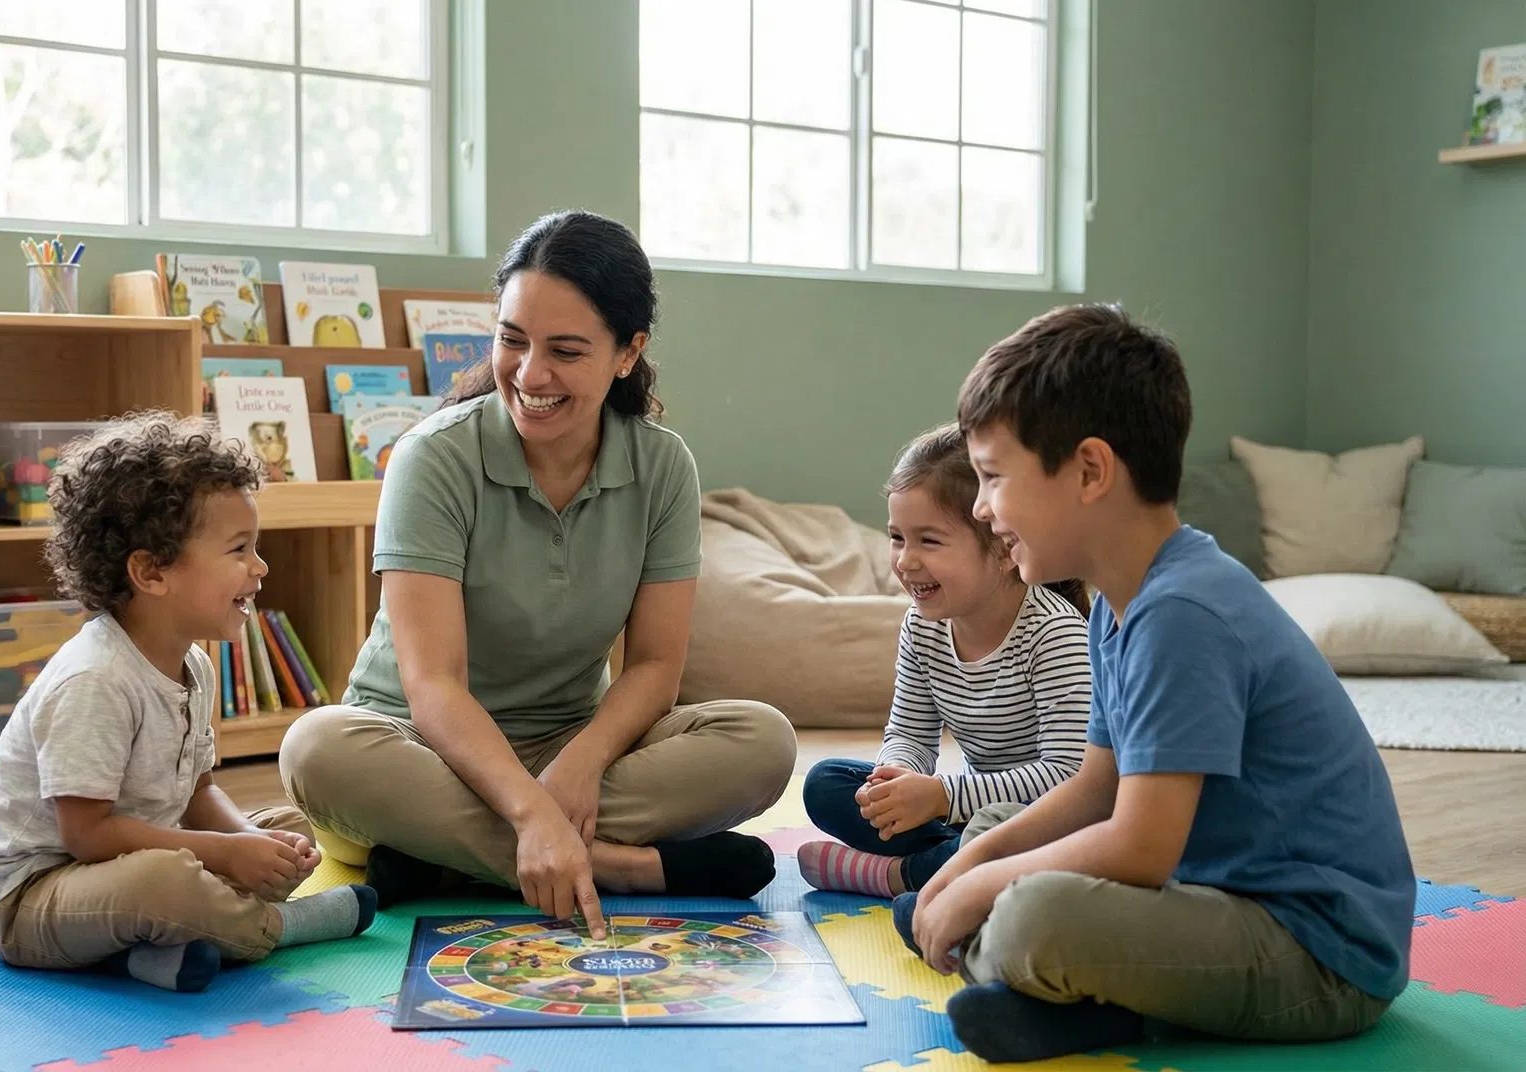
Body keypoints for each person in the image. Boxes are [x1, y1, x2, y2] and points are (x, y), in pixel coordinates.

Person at [897, 304, 1415, 1064]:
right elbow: (1090, 791)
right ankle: (1077, 999)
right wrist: (967, 869)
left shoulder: (1182, 612)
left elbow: (1138, 849)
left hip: (1319, 954)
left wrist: (977, 894)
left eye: (993, 478)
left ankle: (1099, 1001)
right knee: (993, 834)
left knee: (1028, 916)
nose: (981, 508)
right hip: (1214, 896)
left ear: (1090, 472)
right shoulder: (1118, 601)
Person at [279, 210, 796, 937]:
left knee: (763, 741)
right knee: (317, 749)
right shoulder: (431, 459)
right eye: (512, 339)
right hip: (417, 749)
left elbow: (653, 667)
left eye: (566, 350)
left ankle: (444, 862)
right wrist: (527, 810)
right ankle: (617, 866)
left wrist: (581, 764)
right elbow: (432, 687)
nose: (530, 374)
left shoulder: (662, 465)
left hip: (568, 743)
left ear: (627, 352)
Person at [0, 412, 376, 994]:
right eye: (238, 549)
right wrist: (224, 857)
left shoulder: (193, 663)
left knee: (286, 827)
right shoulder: (94, 681)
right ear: (151, 571)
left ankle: (150, 956)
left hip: (123, 865)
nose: (260, 568)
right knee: (165, 881)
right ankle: (278, 926)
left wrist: (242, 844)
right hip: (33, 897)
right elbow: (87, 837)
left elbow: (197, 795)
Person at [797, 423, 1090, 900]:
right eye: (897, 538)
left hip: (1046, 820)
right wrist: (891, 780)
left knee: (1014, 838)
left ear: (1003, 549)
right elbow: (910, 733)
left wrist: (943, 795)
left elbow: (1070, 776)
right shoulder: (923, 625)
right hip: (969, 811)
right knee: (825, 782)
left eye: (929, 541)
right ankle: (947, 863)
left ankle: (900, 877)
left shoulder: (1054, 634)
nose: (906, 561)